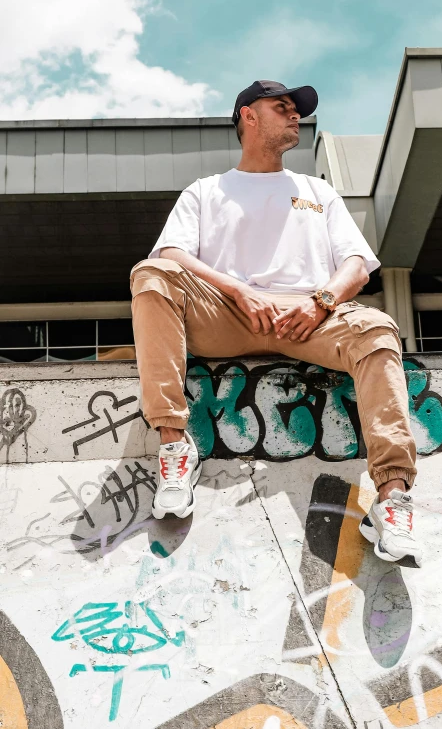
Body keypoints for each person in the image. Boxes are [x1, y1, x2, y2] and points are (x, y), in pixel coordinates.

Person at [130, 80, 422, 565]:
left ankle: (391, 500)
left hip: (309, 319)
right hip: (228, 313)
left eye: (297, 111)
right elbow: (173, 253)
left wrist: (321, 302)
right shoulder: (206, 192)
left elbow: (355, 262)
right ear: (248, 116)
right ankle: (174, 449)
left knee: (376, 328)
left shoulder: (315, 191)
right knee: (152, 274)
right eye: (282, 108)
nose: (295, 117)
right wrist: (237, 289)